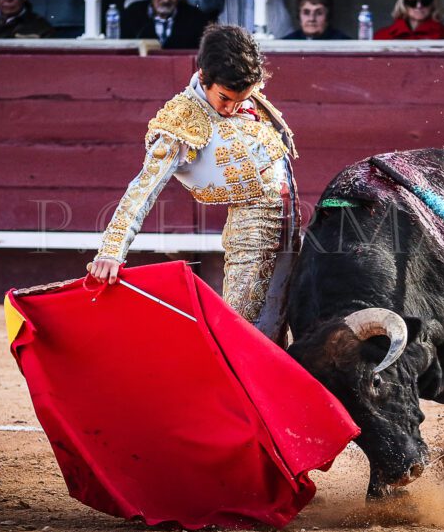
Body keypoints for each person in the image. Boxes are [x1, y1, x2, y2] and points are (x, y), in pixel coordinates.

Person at [88, 25, 299, 342]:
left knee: (282, 320)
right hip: (251, 229)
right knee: (242, 327)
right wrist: (111, 251)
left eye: (240, 98)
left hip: (291, 220)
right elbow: (144, 187)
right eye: (225, 98)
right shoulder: (183, 118)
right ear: (203, 77)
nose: (231, 108)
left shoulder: (246, 95)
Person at [374, 0, 444, 40]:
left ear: (433, 4)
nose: (419, 6)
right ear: (403, 4)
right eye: (412, 2)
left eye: (425, 1)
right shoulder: (382, 36)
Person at [282, 0, 351, 40]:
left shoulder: (343, 42)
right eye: (306, 13)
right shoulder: (287, 43)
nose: (312, 19)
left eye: (319, 13)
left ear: (328, 17)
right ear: (299, 16)